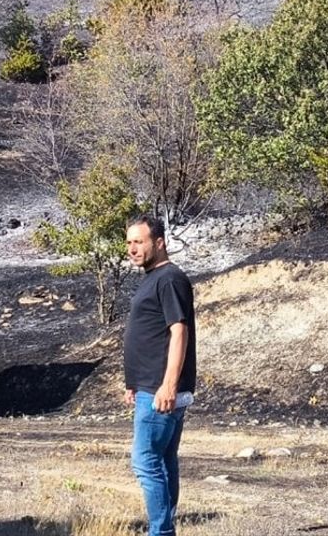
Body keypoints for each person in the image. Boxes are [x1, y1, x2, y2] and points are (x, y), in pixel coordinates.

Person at [123, 214, 196, 536]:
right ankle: (164, 529)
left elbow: (179, 332)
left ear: (160, 243)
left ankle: (162, 531)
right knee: (164, 462)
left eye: (139, 241)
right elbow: (150, 334)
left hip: (159, 390)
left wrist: (168, 385)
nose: (132, 249)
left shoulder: (169, 279)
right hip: (148, 387)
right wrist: (132, 384)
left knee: (145, 462)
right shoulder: (153, 278)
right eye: (129, 242)